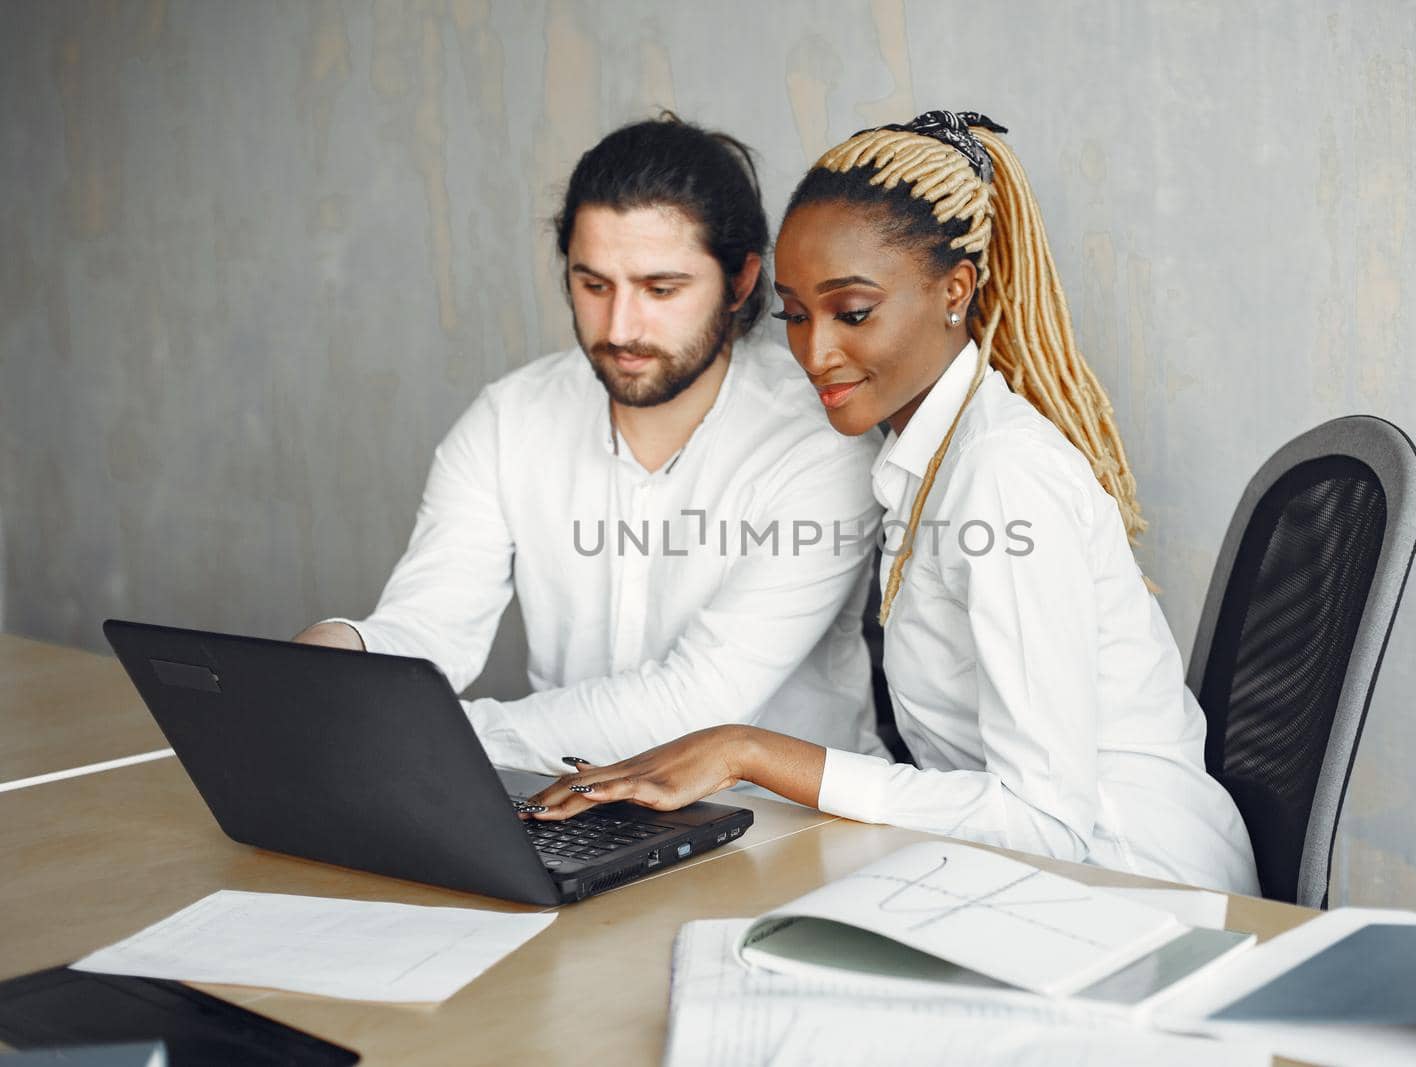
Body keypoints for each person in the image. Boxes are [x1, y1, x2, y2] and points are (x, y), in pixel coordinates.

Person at [525, 111, 1259, 894]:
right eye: (797, 315)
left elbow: (1048, 820)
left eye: (853, 312)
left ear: (955, 290)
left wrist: (751, 750)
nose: (814, 352)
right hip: (1026, 878)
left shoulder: (1002, 472)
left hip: (1142, 889)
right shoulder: (920, 458)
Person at [295, 115, 887, 774]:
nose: (621, 326)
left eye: (661, 289)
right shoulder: (508, 420)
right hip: (573, 813)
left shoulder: (823, 443)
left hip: (789, 833)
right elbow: (431, 624)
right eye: (593, 284)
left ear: (741, 282)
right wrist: (348, 653)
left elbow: (700, 702)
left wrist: (429, 734)